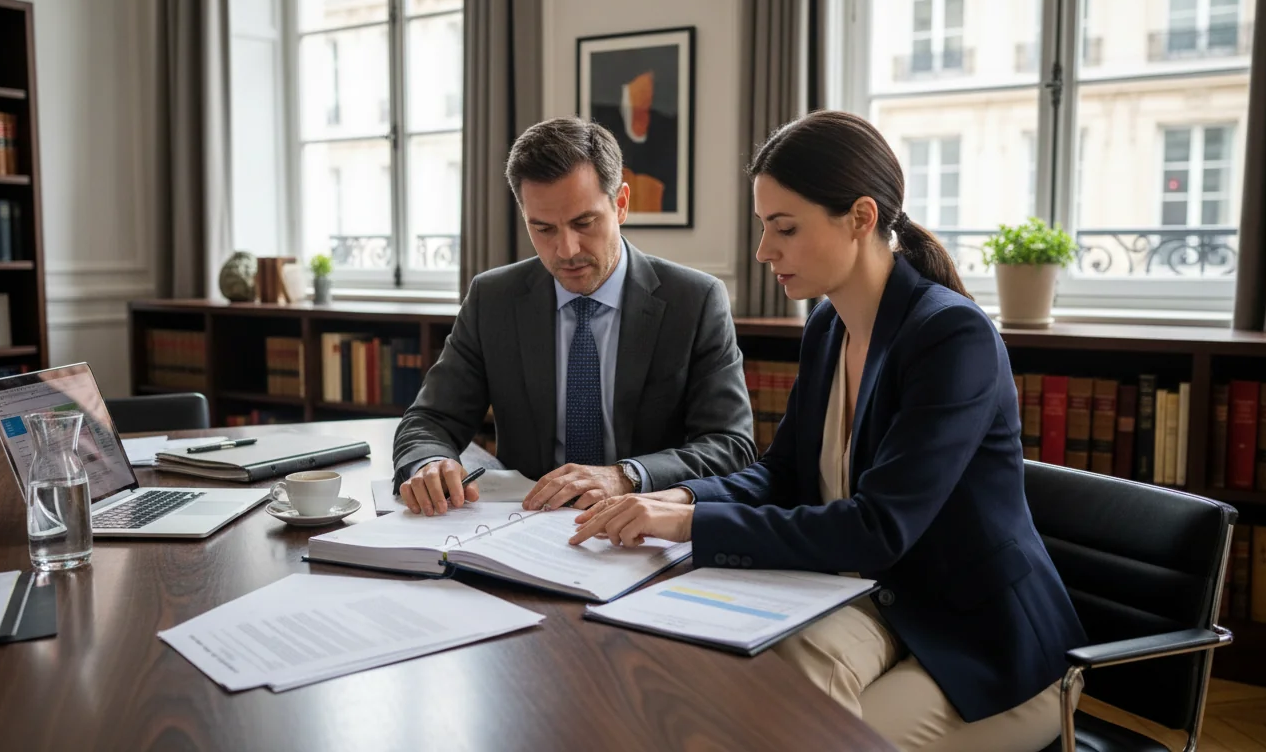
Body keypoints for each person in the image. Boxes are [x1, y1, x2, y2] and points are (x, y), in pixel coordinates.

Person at [568, 110, 1087, 751]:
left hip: (987, 643)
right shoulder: (830, 325)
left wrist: (686, 524)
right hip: (885, 602)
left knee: (810, 736)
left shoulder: (952, 337)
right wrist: (678, 499)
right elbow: (782, 473)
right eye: (764, 227)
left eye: (785, 228)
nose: (764, 252)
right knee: (751, 689)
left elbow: (876, 528)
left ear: (862, 218)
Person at [392, 116, 756, 516]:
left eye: (584, 223)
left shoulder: (695, 300)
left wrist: (625, 475)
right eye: (543, 228)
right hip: (521, 527)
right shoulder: (493, 298)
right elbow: (430, 419)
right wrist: (428, 462)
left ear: (621, 204)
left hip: (643, 527)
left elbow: (730, 445)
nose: (566, 250)